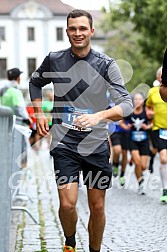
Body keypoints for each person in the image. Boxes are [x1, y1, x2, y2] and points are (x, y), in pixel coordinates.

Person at [29, 9, 133, 252]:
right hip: (64, 144)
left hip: (95, 144)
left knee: (97, 207)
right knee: (67, 204)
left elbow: (127, 104)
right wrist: (39, 113)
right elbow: (35, 82)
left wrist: (99, 116)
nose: (78, 33)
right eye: (73, 29)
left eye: (82, 28)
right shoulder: (55, 59)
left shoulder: (106, 64)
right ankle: (70, 242)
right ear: (67, 32)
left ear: (91, 31)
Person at [120, 93, 153, 195]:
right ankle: (140, 184)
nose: (137, 101)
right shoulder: (130, 112)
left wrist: (147, 127)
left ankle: (138, 170)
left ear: (143, 101)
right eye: (135, 99)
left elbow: (153, 122)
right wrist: (126, 127)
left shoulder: (147, 112)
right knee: (137, 163)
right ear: (133, 101)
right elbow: (121, 122)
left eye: (140, 99)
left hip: (144, 141)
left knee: (143, 166)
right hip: (132, 140)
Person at [0, 67, 31, 167]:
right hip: (17, 124)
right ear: (18, 78)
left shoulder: (3, 91)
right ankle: (21, 171)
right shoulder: (15, 92)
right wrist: (28, 119)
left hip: (4, 124)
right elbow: (20, 108)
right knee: (21, 147)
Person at [146, 69, 167, 202]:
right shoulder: (153, 92)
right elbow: (147, 107)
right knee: (164, 158)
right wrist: (149, 113)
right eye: (161, 76)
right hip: (159, 129)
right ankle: (165, 189)